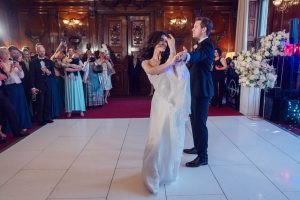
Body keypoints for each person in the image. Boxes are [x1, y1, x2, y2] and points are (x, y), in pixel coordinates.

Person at [141, 31, 191, 194]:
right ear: (153, 43)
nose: (163, 43)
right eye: (160, 41)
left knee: (172, 137)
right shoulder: (146, 62)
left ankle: (167, 173)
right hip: (160, 103)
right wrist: (171, 58)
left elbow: (181, 74)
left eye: (165, 41)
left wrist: (175, 50)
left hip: (174, 104)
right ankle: (151, 176)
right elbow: (155, 71)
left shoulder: (171, 60)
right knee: (156, 139)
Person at [177, 17, 215, 167]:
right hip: (195, 89)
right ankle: (197, 147)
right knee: (194, 121)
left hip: (202, 90)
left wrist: (188, 56)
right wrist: (187, 58)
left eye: (196, 26)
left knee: (200, 124)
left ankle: (203, 157)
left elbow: (199, 56)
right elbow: (194, 63)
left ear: (204, 29)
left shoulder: (208, 44)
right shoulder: (199, 45)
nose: (193, 29)